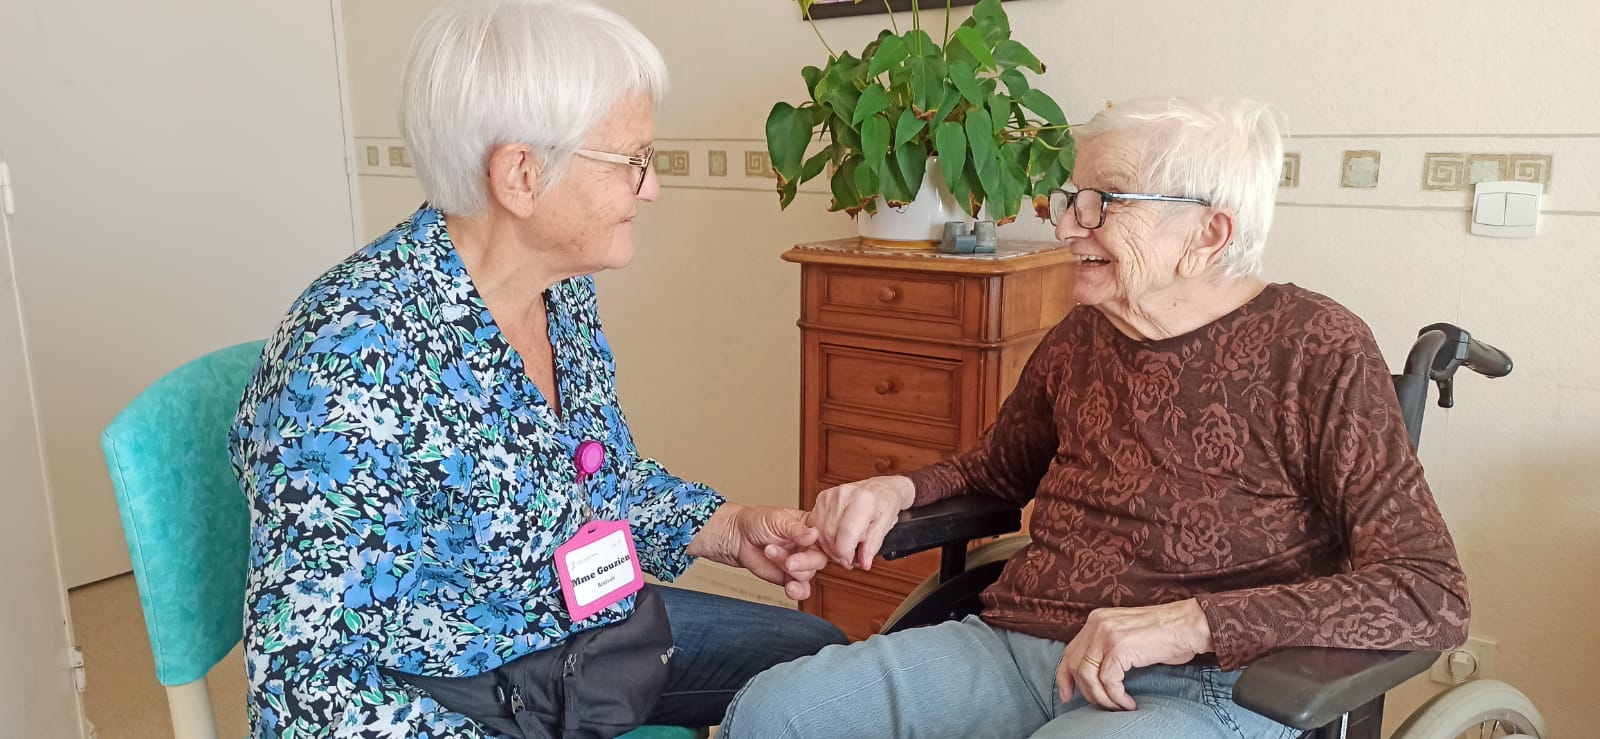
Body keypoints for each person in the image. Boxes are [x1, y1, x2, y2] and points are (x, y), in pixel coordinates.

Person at [720, 97, 1471, 739]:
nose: (1066, 226)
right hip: (1018, 646)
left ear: (1207, 233)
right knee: (777, 712)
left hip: (1205, 681)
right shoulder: (1082, 336)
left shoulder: (1318, 346)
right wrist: (899, 491)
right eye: (1070, 198)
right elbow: (994, 471)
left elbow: (1427, 589)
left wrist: (1187, 622)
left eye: (1101, 203)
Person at [228, 1, 844, 735]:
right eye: (632, 162)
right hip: (470, 685)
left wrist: (726, 528)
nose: (651, 189)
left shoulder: (558, 291)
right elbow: (303, 692)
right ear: (521, 174)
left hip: (588, 633)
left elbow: (596, 480)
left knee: (826, 672)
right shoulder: (351, 358)